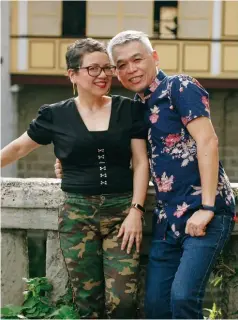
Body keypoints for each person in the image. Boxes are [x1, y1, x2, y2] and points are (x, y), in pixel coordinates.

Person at [55, 30, 236, 319]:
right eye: (122, 65)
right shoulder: (137, 107)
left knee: (183, 298)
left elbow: (208, 141)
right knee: (154, 307)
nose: (130, 69)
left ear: (154, 57)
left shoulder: (180, 86)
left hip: (204, 213)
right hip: (166, 220)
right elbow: (129, 156)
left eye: (137, 60)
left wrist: (208, 207)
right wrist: (69, 161)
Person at [0, 38, 150, 319]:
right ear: (73, 74)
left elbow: (141, 162)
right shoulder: (55, 115)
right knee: (86, 301)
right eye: (93, 69)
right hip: (77, 216)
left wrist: (136, 210)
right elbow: (20, 147)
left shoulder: (128, 109)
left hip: (121, 213)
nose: (103, 75)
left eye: (107, 68)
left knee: (125, 301)